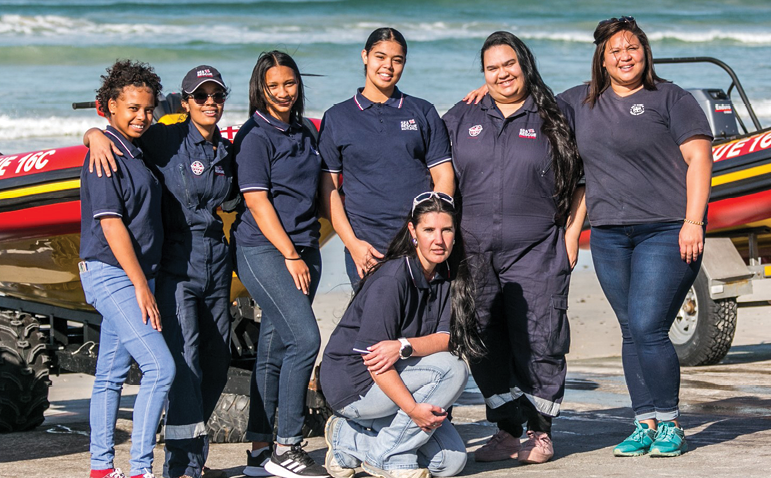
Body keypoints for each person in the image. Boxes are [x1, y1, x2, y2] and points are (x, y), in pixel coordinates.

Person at [558, 16, 713, 457]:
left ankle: (669, 422)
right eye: (615, 51)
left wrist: (693, 221)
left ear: (645, 52)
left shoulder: (671, 98)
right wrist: (480, 97)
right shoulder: (580, 103)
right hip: (608, 234)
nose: (625, 57)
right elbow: (524, 101)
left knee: (648, 326)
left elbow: (700, 160)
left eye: (633, 48)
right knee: (630, 330)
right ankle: (642, 421)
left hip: (666, 229)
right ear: (602, 60)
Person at [85, 65, 235, 478]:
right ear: (184, 103)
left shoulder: (218, 150)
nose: (210, 103)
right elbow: (111, 218)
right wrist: (93, 134)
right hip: (153, 270)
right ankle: (160, 466)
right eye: (200, 96)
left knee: (211, 363)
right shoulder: (153, 140)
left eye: (216, 96)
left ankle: (110, 467)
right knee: (170, 366)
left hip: (204, 265)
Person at [443, 31, 583, 465]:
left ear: (525, 64)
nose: (503, 74)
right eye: (492, 68)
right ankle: (506, 429)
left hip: (538, 251)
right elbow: (429, 167)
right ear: (483, 74)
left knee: (540, 340)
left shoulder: (554, 116)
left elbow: (580, 185)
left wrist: (572, 237)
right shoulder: (462, 116)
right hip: (473, 253)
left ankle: (539, 433)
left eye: (509, 64)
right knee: (480, 338)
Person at [320, 192, 484, 478]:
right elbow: (374, 362)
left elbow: (447, 338)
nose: (439, 239)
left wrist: (403, 346)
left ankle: (347, 438)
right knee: (453, 369)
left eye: (446, 230)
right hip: (354, 385)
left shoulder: (445, 275)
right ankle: (387, 457)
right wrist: (413, 410)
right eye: (429, 230)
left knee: (449, 462)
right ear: (413, 231)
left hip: (394, 374)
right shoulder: (392, 279)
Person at [231, 51, 327, 478]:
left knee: (273, 348)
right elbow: (256, 200)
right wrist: (289, 255)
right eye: (273, 85)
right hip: (265, 250)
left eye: (289, 83)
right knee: (305, 340)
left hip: (305, 249)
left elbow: (323, 189)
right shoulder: (255, 136)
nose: (283, 92)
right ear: (260, 88)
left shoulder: (305, 130)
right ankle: (287, 446)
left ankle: (258, 453)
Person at [79, 60, 175, 478]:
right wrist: (142, 285)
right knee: (160, 368)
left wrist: (95, 133)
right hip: (111, 272)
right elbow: (111, 223)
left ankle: (102, 469)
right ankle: (140, 470)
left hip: (133, 273)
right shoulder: (105, 155)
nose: (142, 116)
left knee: (111, 374)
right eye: (132, 108)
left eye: (147, 109)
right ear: (110, 107)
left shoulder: (134, 149)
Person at [319, 27, 456, 289]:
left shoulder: (422, 111)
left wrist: (430, 233)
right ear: (365, 56)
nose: (388, 66)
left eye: (397, 59)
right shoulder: (337, 117)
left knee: (420, 326)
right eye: (380, 56)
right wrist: (353, 244)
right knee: (375, 327)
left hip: (417, 244)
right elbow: (328, 189)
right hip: (366, 248)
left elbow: (444, 175)